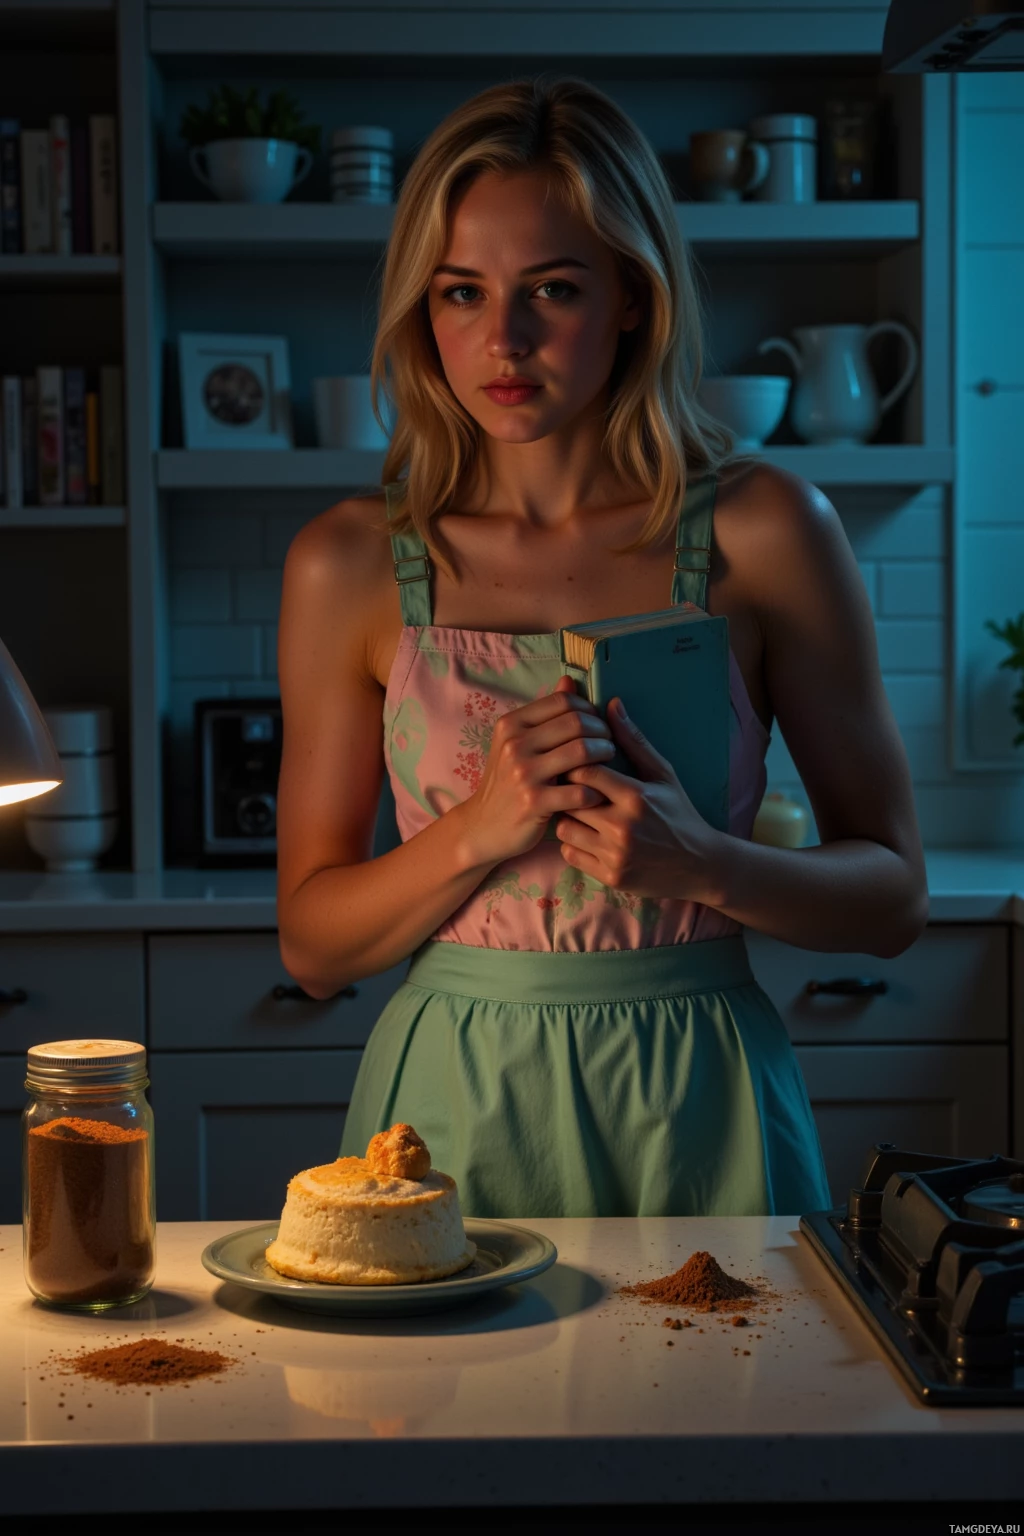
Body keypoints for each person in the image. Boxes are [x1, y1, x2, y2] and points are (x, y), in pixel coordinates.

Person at [276, 78, 927, 1218]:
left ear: (632, 295)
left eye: (553, 290)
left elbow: (891, 896)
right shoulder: (349, 563)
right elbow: (315, 947)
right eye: (461, 294)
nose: (503, 340)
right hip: (453, 1099)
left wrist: (703, 866)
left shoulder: (765, 530)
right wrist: (481, 828)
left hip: (702, 1089)